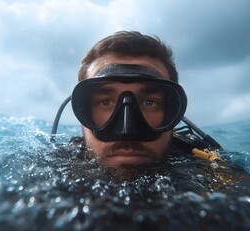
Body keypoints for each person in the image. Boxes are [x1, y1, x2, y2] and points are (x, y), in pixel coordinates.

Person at [52, 31, 222, 168]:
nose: (127, 131)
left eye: (149, 102)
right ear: (82, 111)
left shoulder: (206, 167)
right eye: (105, 102)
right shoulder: (53, 168)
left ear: (172, 111)